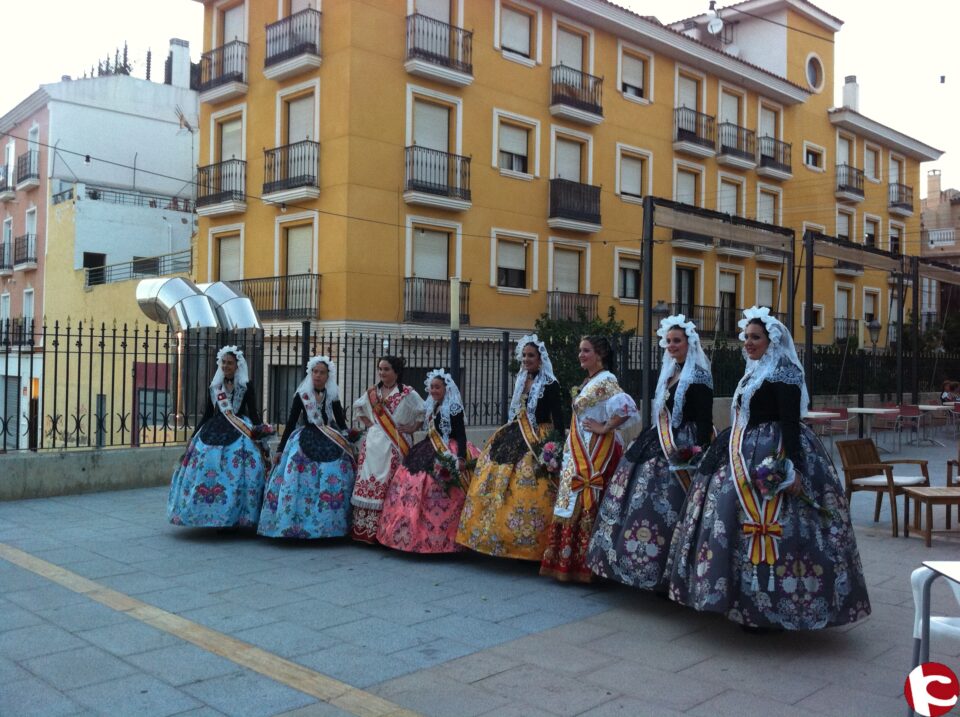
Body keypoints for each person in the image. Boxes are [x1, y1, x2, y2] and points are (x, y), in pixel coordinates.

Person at [666, 306, 871, 631]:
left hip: (774, 451)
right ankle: (737, 598)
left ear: (771, 340)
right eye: (746, 337)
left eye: (755, 337)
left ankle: (778, 603)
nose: (748, 342)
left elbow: (790, 422)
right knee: (726, 513)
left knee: (784, 526)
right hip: (744, 449)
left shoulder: (785, 371)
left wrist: (793, 469)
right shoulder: (755, 371)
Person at [586, 315, 713, 591]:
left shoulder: (699, 376)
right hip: (660, 438)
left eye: (677, 341)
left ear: (689, 343)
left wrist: (698, 452)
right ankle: (634, 565)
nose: (671, 346)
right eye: (668, 341)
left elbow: (704, 419)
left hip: (683, 443)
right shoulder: (670, 373)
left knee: (669, 505)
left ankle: (667, 572)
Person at [457, 334, 565, 560]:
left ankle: (531, 545)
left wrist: (556, 445)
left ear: (540, 359)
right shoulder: (521, 379)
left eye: (531, 356)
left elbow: (559, 417)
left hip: (539, 436)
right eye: (524, 355)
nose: (526, 359)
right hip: (516, 431)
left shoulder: (550, 384)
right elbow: (516, 410)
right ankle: (493, 538)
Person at [541, 336, 639, 583]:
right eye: (580, 351)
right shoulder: (590, 380)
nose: (580, 355)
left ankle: (589, 567)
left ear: (600, 354)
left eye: (586, 351)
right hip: (578, 448)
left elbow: (626, 408)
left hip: (595, 450)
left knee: (587, 498)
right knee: (571, 498)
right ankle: (568, 562)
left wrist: (604, 427)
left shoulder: (606, 380)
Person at [377, 369, 476, 553]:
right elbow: (420, 423)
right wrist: (406, 428)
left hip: (449, 449)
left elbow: (461, 435)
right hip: (429, 447)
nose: (433, 391)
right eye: (431, 387)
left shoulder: (453, 408)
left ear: (446, 388)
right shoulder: (432, 406)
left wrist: (460, 457)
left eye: (437, 387)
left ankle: (448, 540)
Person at [257, 356, 355, 539]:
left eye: (322, 373)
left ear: (328, 376)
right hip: (304, 438)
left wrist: (350, 437)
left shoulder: (332, 395)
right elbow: (291, 422)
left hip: (329, 438)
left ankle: (329, 525)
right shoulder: (302, 395)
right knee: (297, 480)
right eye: (315, 372)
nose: (317, 376)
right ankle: (296, 524)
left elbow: (341, 423)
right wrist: (280, 449)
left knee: (332, 474)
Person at [168, 345, 266, 528]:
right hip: (214, 428)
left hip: (239, 429)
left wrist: (260, 431)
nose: (226, 366)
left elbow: (253, 412)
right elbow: (207, 414)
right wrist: (194, 435)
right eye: (223, 362)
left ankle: (237, 515)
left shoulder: (245, 386)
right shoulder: (215, 387)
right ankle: (206, 515)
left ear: (237, 365)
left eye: (230, 363)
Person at [350, 356, 425, 543]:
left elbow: (423, 411)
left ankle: (388, 532)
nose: (382, 373)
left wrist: (411, 428)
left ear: (396, 372)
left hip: (395, 444)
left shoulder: (407, 393)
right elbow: (358, 409)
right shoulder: (372, 393)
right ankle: (364, 531)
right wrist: (372, 425)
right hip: (373, 443)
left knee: (390, 483)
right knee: (370, 481)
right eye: (380, 369)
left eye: (386, 369)